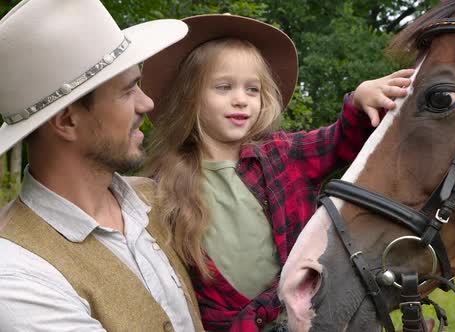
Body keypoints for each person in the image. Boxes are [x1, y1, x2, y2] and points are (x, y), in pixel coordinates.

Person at [141, 14, 414, 332]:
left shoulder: (284, 154)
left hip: (307, 315)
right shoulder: (167, 183)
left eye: (252, 89)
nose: (241, 99)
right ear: (190, 98)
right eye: (224, 87)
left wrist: (358, 101)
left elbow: (337, 141)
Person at [0, 0, 204, 331]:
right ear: (67, 121)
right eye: (127, 91)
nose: (147, 103)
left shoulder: (156, 199)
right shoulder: (18, 276)